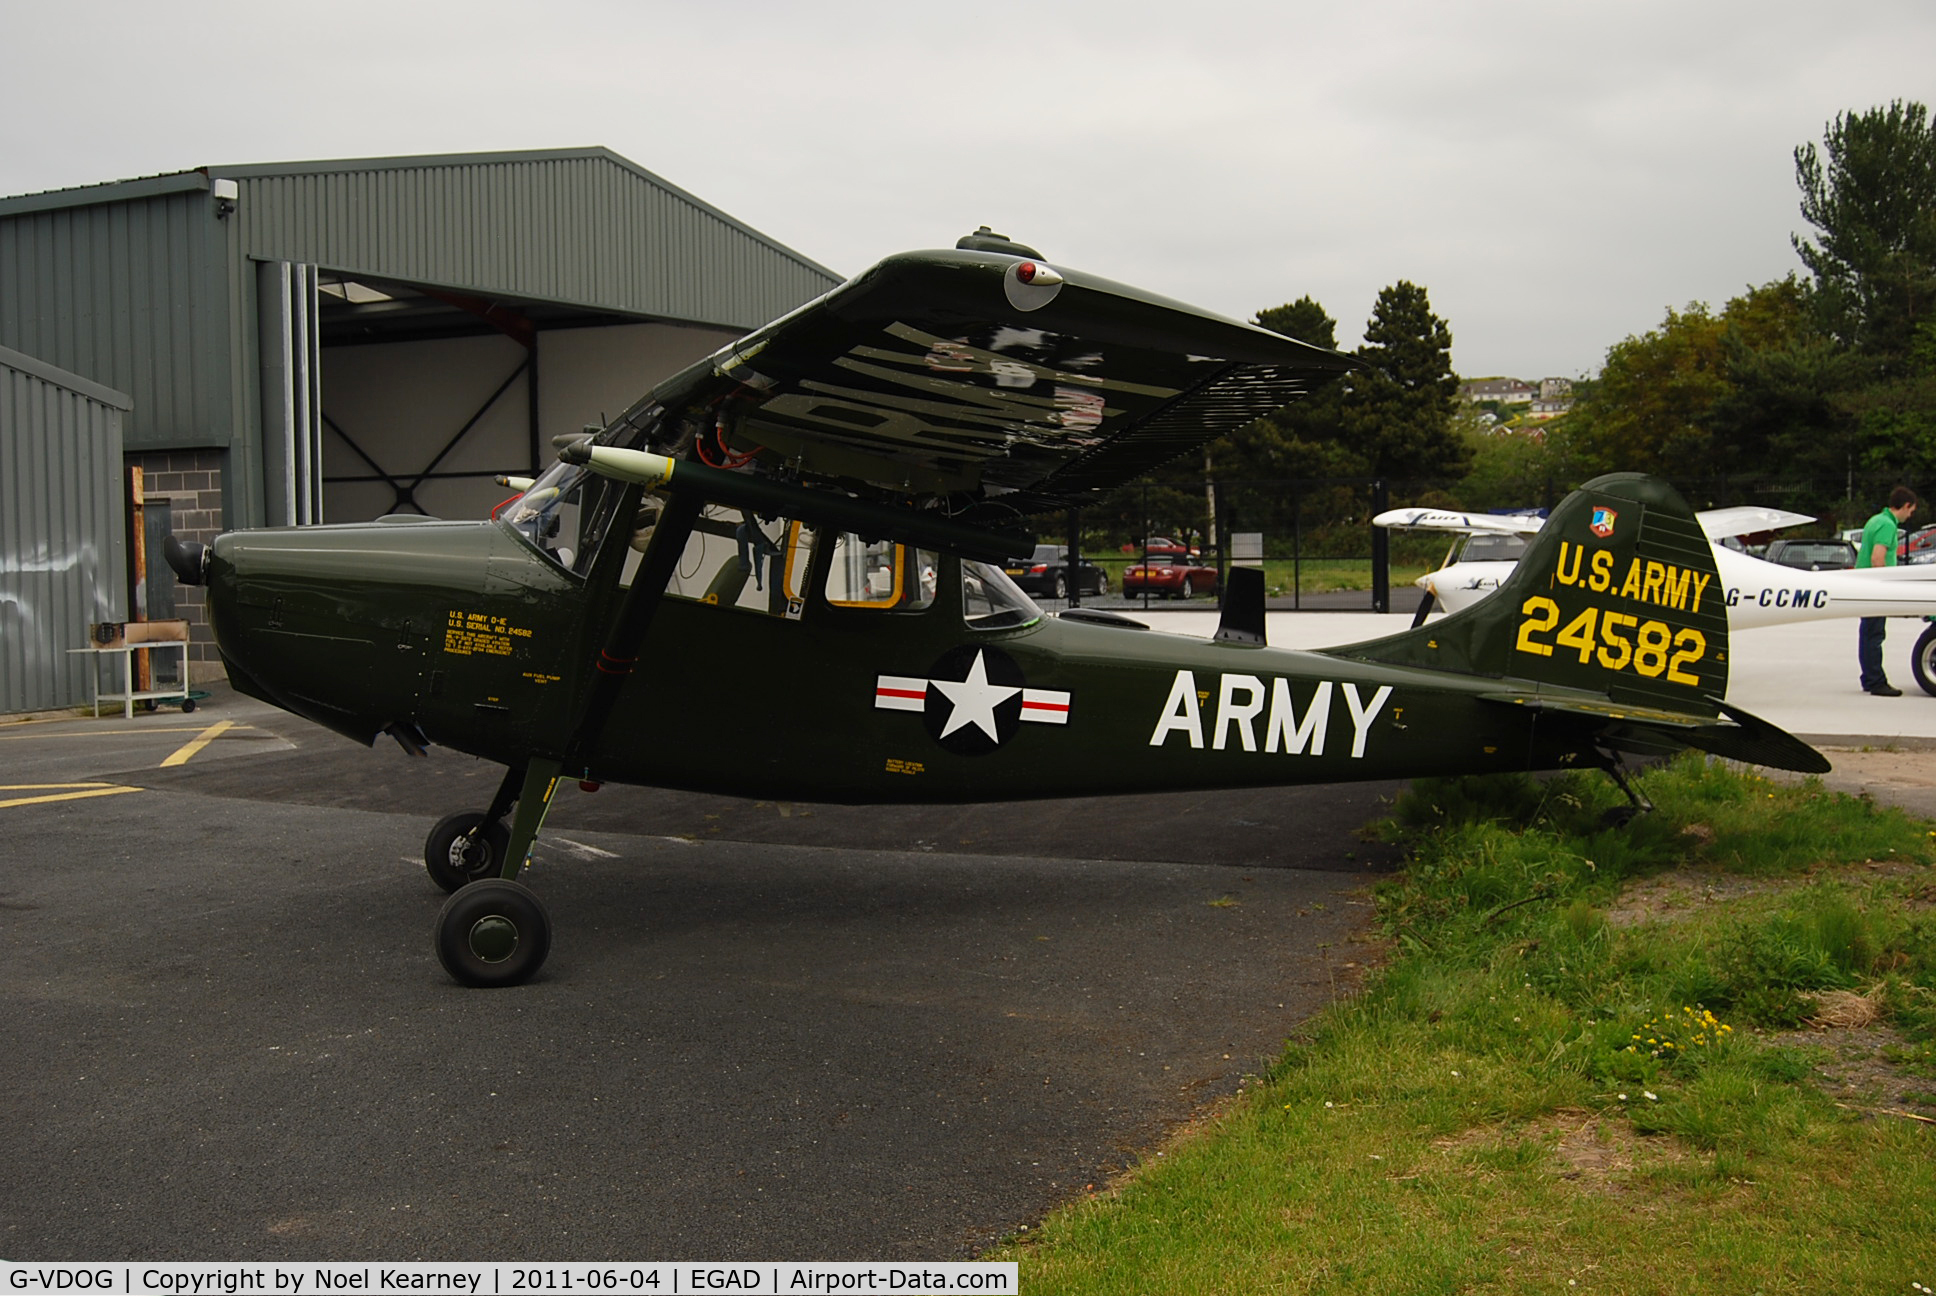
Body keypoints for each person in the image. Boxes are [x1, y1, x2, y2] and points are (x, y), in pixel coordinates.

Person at [1857, 485, 1919, 695]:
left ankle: (1869, 678)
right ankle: (1876, 681)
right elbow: (1877, 558)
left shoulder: (1874, 520)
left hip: (1864, 585)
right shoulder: (1887, 525)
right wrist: (1884, 586)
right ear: (1906, 505)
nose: (1910, 516)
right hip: (1875, 587)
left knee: (1868, 633)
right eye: (1911, 511)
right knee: (1875, 634)